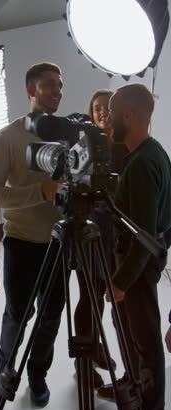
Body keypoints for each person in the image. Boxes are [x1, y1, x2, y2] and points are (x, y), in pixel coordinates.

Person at [0, 62, 65, 407]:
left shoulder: (66, 136)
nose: (57, 92)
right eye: (49, 85)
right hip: (20, 242)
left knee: (50, 316)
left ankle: (37, 374)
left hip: (59, 242)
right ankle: (7, 370)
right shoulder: (7, 137)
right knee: (18, 315)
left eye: (60, 86)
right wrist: (41, 192)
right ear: (31, 90)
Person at [98, 83, 171, 410]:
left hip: (136, 265)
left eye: (112, 111)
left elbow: (142, 234)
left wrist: (122, 281)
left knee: (143, 336)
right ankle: (133, 385)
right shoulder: (146, 154)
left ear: (129, 115)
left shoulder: (143, 162)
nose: (107, 118)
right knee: (128, 328)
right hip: (136, 261)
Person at [74, 90, 127, 388]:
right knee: (88, 297)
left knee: (104, 295)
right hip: (90, 233)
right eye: (96, 109)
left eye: (107, 108)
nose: (103, 113)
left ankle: (96, 348)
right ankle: (83, 362)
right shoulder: (86, 146)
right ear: (91, 114)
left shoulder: (124, 146)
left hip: (115, 235)